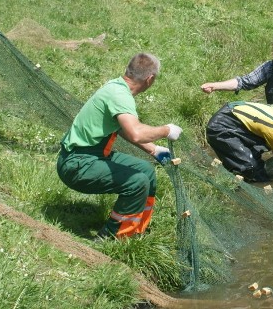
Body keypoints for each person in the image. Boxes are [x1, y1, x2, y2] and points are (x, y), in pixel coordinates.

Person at [56, 53, 183, 240]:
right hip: (77, 163)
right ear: (150, 79)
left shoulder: (116, 87)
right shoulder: (120, 95)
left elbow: (121, 127)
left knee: (146, 171)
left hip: (93, 154)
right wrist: (166, 130)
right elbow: (136, 133)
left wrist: (153, 149)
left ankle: (136, 228)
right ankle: (113, 238)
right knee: (137, 182)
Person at [206, 101, 273, 182]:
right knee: (250, 168)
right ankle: (235, 180)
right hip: (220, 126)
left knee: (256, 155)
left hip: (231, 114)